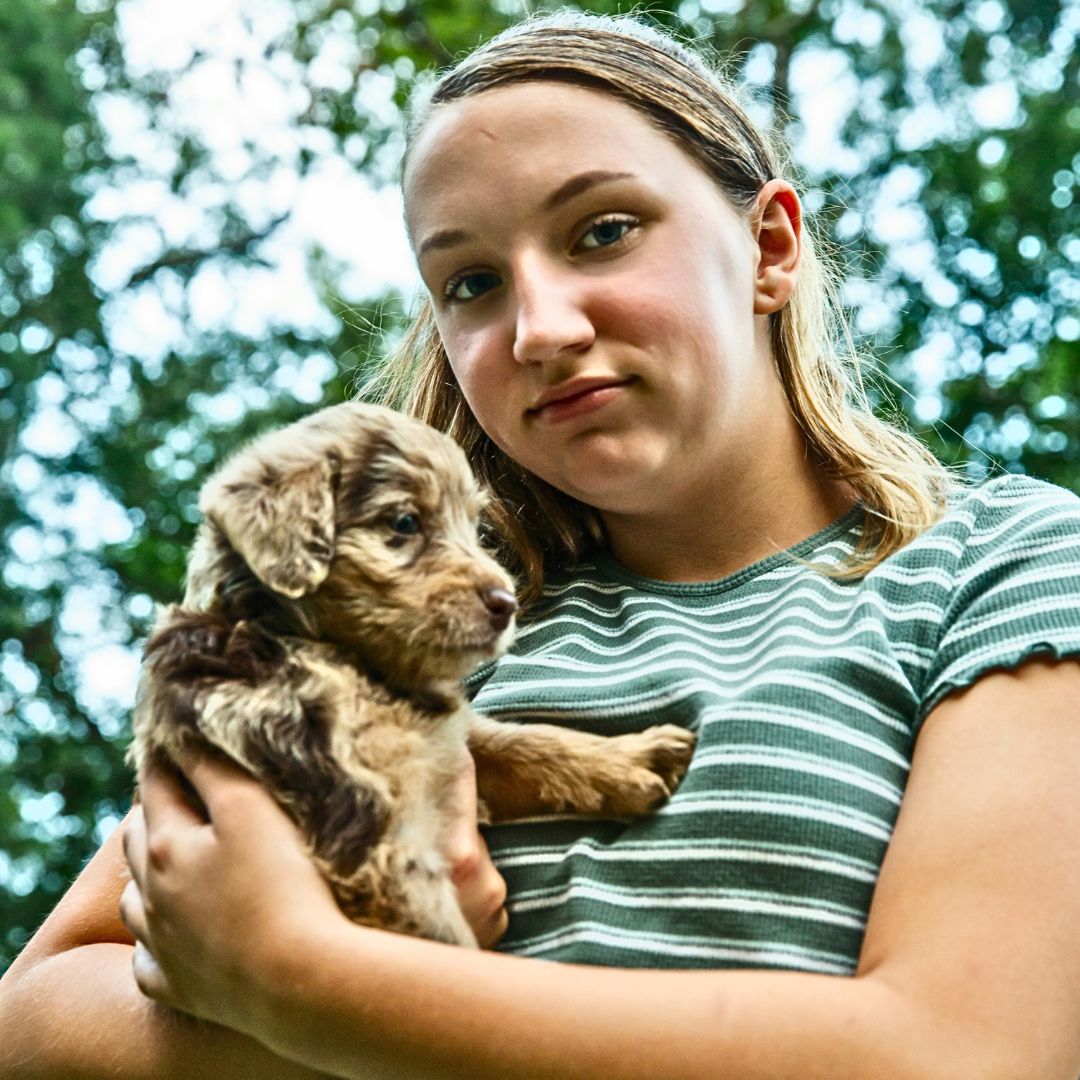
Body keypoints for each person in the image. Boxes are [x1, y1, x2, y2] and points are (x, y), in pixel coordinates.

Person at [3, 10, 1079, 1079]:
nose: (541, 329)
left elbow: (964, 1050)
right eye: (472, 283)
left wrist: (306, 979)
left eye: (603, 231)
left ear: (771, 246)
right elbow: (35, 1014)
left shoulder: (1000, 567)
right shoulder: (415, 616)